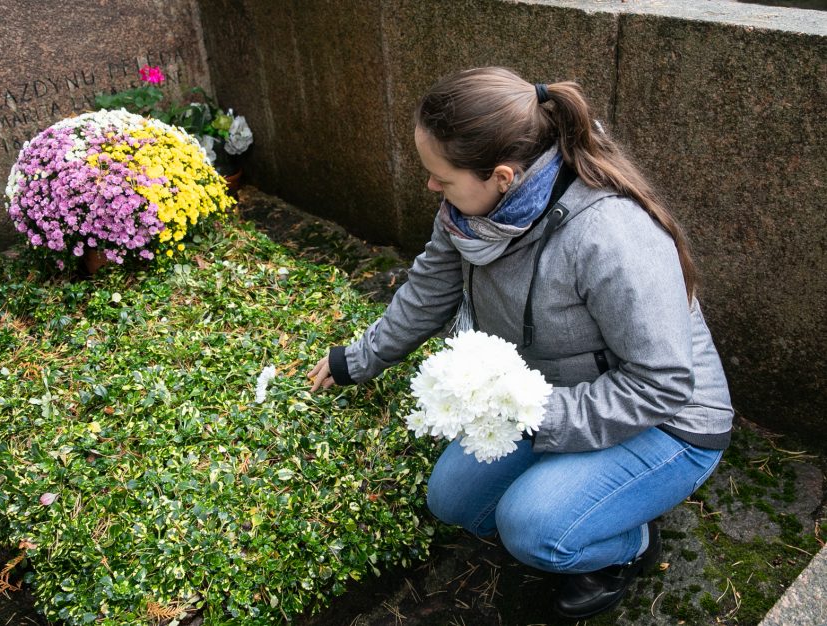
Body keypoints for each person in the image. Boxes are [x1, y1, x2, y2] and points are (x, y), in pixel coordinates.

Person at [308, 66, 733, 619]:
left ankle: (627, 547)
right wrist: (357, 359)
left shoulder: (610, 236)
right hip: (551, 395)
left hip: (669, 422)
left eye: (442, 176)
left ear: (504, 176)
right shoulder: (468, 212)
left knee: (532, 529)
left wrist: (536, 414)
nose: (430, 187)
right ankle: (583, 496)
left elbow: (663, 382)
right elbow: (429, 289)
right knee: (454, 501)